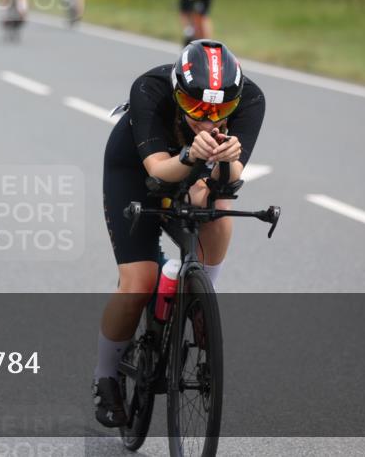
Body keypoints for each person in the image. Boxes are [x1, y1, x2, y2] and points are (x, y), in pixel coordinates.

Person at [92, 39, 265, 427]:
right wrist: (190, 156)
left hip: (197, 168)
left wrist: (225, 162)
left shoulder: (251, 99)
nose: (209, 120)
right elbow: (156, 170)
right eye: (196, 109)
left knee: (219, 209)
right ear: (177, 93)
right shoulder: (150, 89)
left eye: (221, 111)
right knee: (139, 280)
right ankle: (106, 375)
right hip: (137, 170)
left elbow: (231, 179)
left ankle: (202, 291)